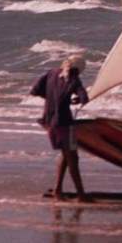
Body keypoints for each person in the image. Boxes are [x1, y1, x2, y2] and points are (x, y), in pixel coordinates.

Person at [31, 55, 91, 202]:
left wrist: (53, 99)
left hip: (49, 121)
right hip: (64, 123)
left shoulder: (51, 73)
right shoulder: (74, 79)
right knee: (73, 158)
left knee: (66, 155)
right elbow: (84, 98)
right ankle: (81, 195)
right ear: (77, 70)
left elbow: (35, 90)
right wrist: (76, 99)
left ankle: (58, 190)